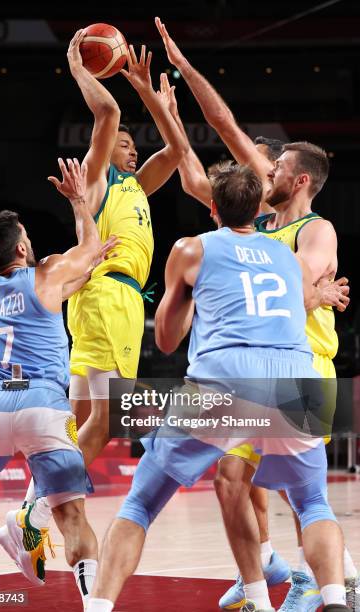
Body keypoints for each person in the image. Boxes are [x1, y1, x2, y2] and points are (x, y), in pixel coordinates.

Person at [155, 17, 357, 611]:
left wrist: (311, 297)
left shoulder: (316, 228)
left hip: (304, 363)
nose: (260, 171)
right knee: (229, 481)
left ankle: (334, 582)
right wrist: (183, 69)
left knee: (301, 495)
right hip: (259, 363)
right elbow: (223, 124)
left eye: (273, 170)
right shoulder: (263, 224)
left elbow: (304, 284)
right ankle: (263, 589)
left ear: (294, 179)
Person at [86, 163, 349, 612]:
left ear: (212, 207)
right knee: (313, 504)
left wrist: (191, 301)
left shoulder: (192, 248)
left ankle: (99, 607)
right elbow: (300, 301)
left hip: (227, 376)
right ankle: (337, 600)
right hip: (295, 377)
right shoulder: (287, 255)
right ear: (258, 209)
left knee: (141, 504)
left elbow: (167, 340)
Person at [0, 29, 188, 587]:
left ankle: (29, 507)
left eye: (132, 143)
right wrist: (82, 67)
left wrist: (147, 89)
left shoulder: (139, 188)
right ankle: (30, 510)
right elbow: (107, 119)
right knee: (105, 423)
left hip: (113, 301)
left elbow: (176, 150)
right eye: (125, 142)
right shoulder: (101, 181)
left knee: (83, 421)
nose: (131, 146)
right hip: (107, 294)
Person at [0, 158, 117, 610]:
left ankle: (17, 527)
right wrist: (80, 202)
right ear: (22, 248)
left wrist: (83, 270)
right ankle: (95, 607)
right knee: (71, 513)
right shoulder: (44, 274)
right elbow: (90, 245)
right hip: (42, 405)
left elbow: (65, 284)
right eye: (24, 233)